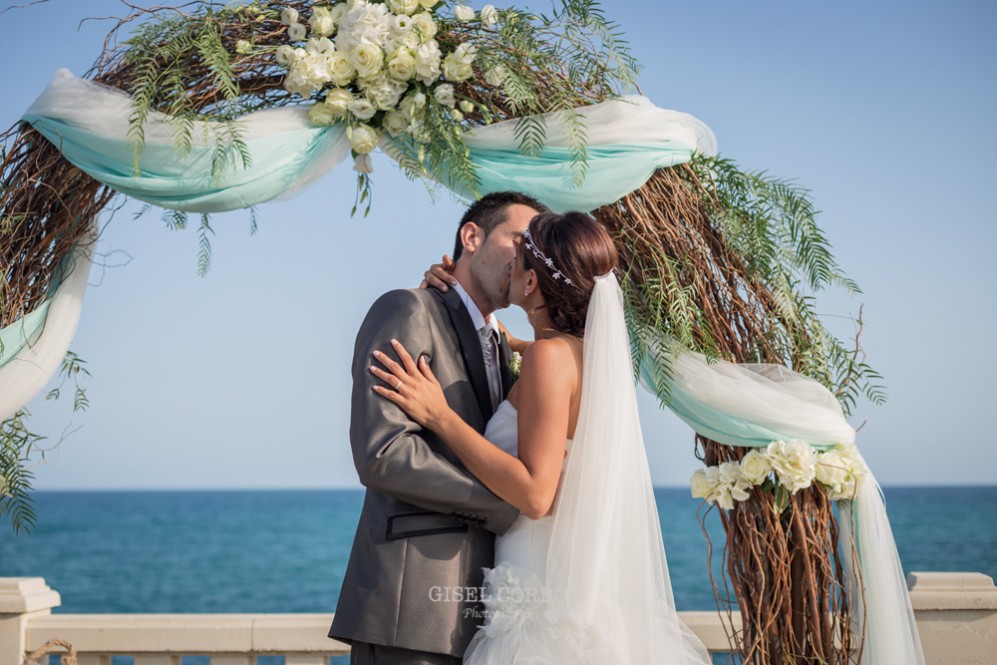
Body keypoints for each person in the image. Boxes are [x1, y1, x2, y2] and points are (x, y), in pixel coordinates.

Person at [372, 211, 712, 664]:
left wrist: (440, 417)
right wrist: (491, 330)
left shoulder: (549, 358)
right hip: (563, 579)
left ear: (531, 282)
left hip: (537, 590)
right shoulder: (584, 356)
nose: (510, 264)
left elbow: (535, 494)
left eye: (518, 256)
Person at [328, 191, 547, 665]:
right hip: (412, 606)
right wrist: (508, 505)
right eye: (518, 240)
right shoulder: (407, 309)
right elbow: (383, 453)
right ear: (472, 236)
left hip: (489, 610)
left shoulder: (503, 343)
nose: (528, 257)